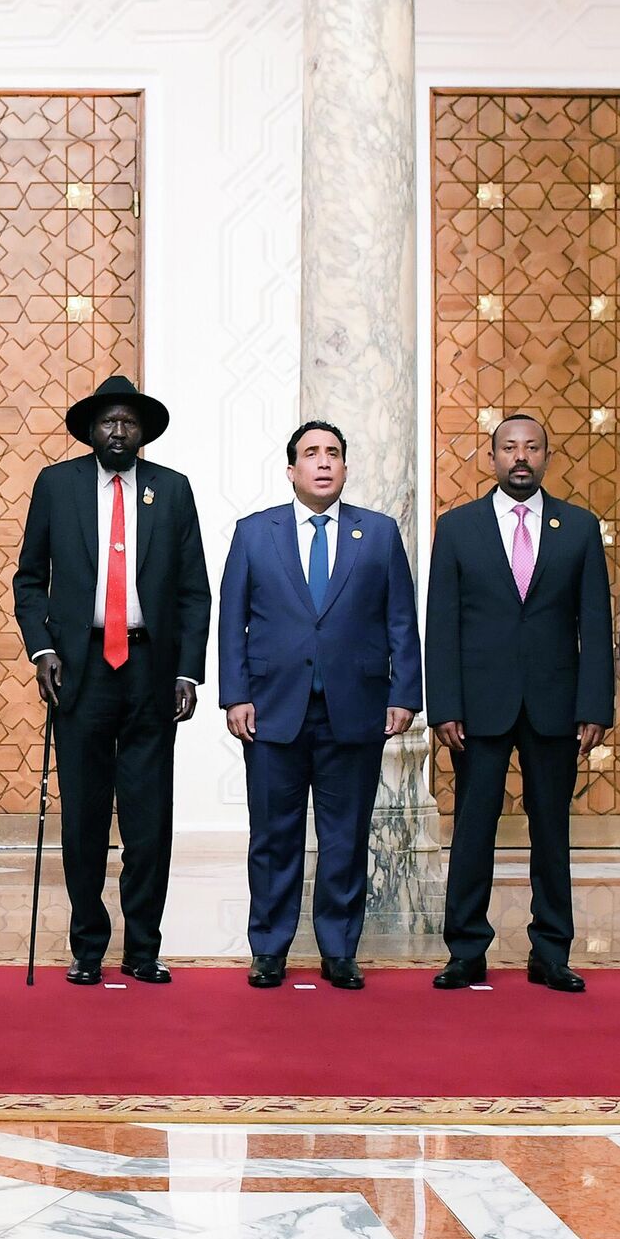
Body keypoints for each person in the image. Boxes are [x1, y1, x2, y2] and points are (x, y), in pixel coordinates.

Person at [14, 375, 211, 986]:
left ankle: (144, 948)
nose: (119, 431)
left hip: (152, 670)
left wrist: (187, 669)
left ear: (142, 432)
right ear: (91, 430)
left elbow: (193, 590)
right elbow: (28, 581)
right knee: (85, 815)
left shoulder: (172, 491)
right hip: (81, 670)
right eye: (109, 422)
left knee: (149, 818)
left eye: (129, 422)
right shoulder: (57, 485)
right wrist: (43, 649)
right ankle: (88, 948)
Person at [219, 420, 422, 990]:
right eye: (311, 454)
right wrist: (235, 695)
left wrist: (404, 693)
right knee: (273, 836)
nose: (324, 462)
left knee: (345, 837)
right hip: (270, 710)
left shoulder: (378, 534)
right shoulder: (255, 533)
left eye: (334, 453)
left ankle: (339, 949)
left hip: (355, 709)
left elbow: (401, 620)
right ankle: (269, 948)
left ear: (345, 467)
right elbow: (231, 620)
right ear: (292, 471)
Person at [425, 414, 612, 993]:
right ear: (492, 457)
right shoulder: (458, 528)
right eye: (510, 448)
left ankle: (551, 950)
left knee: (552, 831)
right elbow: (443, 624)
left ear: (548, 457)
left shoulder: (578, 528)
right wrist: (444, 706)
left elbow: (596, 624)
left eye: (532, 447)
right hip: (478, 707)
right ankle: (466, 950)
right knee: (474, 828)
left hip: (556, 705)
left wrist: (596, 706)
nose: (521, 457)